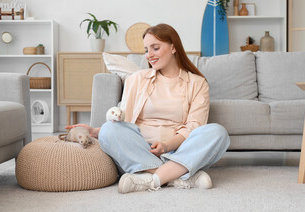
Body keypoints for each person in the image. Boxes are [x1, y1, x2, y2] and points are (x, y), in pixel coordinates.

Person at [66, 23, 230, 194]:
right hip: (141, 149)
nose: (149, 55)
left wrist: (166, 146)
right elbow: (125, 119)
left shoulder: (197, 83)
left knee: (218, 133)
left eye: (155, 48)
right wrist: (95, 131)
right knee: (109, 129)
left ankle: (152, 179)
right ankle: (178, 175)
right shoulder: (136, 79)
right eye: (146, 50)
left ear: (173, 47)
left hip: (178, 149)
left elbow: (194, 126)